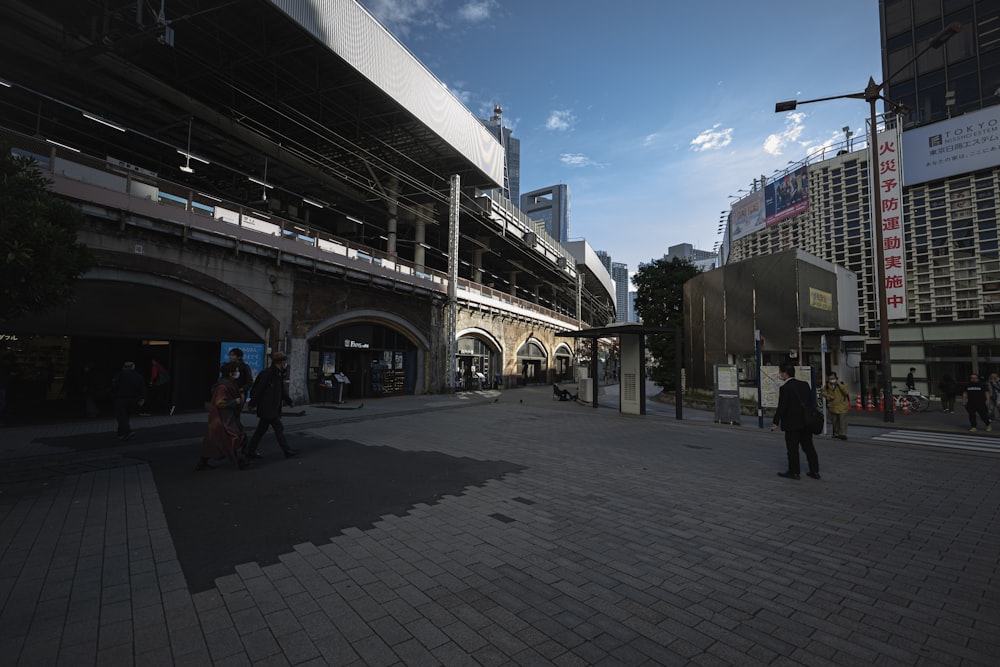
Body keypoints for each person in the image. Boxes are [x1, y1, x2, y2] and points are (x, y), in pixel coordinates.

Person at [770, 362, 821, 480]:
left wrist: (775, 422)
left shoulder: (785, 388)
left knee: (792, 448)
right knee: (808, 447)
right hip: (806, 422)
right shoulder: (804, 385)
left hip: (792, 423)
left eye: (781, 372)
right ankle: (815, 471)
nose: (780, 375)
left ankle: (794, 472)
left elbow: (782, 407)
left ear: (785, 373)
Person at [245, 351, 298, 460]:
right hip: (268, 407)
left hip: (271, 407)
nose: (285, 363)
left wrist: (289, 401)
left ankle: (250, 451)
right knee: (278, 428)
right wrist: (252, 403)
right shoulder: (268, 374)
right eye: (284, 361)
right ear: (281, 362)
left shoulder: (277, 374)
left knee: (261, 431)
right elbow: (258, 389)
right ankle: (287, 451)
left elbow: (281, 391)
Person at [196, 362, 248, 471]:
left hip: (225, 417)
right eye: (236, 371)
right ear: (230, 373)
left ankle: (203, 462)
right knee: (232, 437)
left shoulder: (229, 383)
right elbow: (220, 402)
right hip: (222, 418)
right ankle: (238, 460)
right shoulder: (223, 386)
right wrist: (236, 401)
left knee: (215, 440)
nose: (238, 373)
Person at [111, 361, 146, 440]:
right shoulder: (138, 376)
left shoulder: (120, 375)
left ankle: (128, 431)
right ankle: (120, 434)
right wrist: (142, 398)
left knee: (121, 416)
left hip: (121, 398)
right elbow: (142, 388)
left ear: (124, 367)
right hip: (133, 399)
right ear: (133, 367)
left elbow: (114, 386)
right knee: (126, 416)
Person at [820, 372, 851, 440]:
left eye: (833, 378)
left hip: (842, 406)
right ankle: (836, 433)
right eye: (830, 378)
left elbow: (846, 392)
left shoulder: (842, 384)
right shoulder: (827, 386)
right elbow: (823, 393)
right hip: (833, 406)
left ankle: (842, 434)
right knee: (835, 421)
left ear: (836, 378)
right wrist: (829, 396)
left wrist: (839, 384)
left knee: (842, 421)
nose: (832, 380)